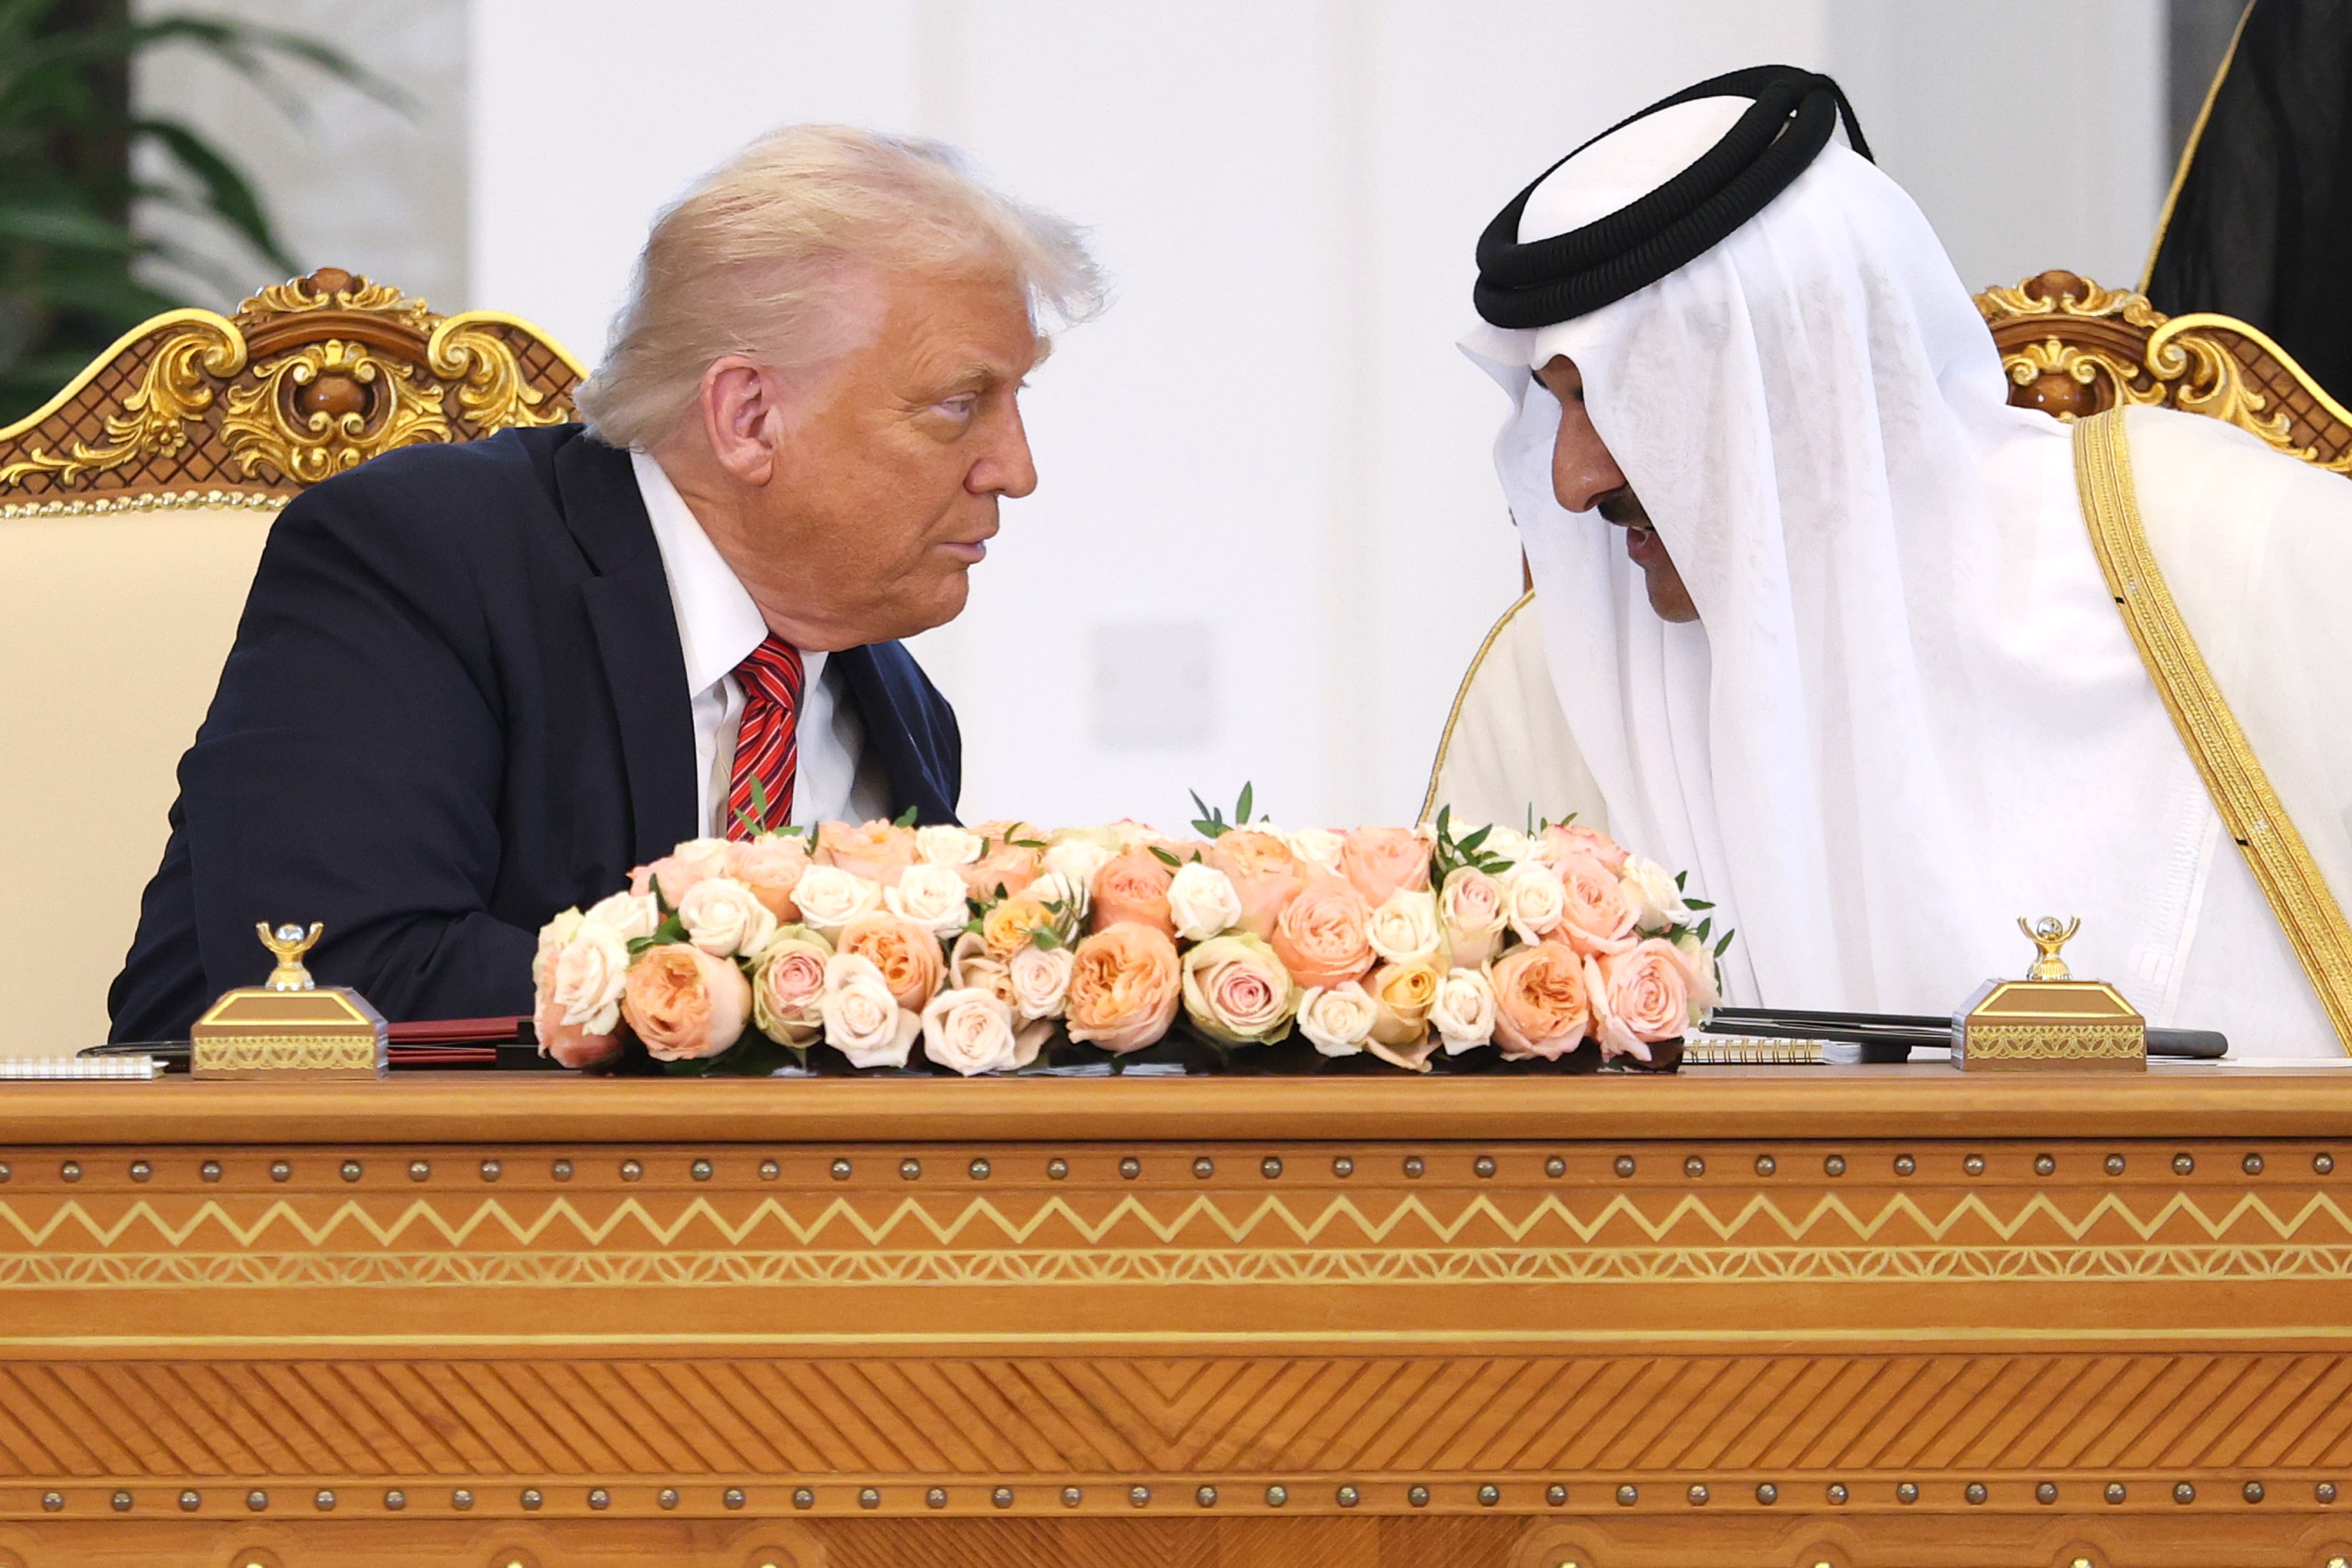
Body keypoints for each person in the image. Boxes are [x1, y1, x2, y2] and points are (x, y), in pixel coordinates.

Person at [108, 126, 1103, 1039]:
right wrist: (763, 998)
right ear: (749, 417)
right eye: (960, 404)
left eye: (1014, 400)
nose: (1015, 469)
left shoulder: (898, 705)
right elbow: (343, 978)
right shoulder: (421, 561)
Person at [1448, 65, 2352, 1054]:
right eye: (1553, 405)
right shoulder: (1555, 677)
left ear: (1788, 370)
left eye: (1608, 400)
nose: (1572, 482)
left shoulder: (2222, 548)